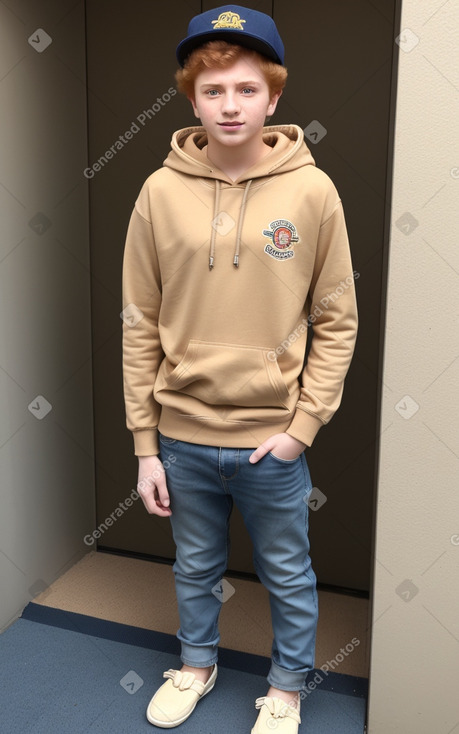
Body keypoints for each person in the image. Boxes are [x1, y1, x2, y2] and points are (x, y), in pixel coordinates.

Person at [121, 5, 358, 732]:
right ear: (191, 98)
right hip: (183, 437)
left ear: (274, 96)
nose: (230, 105)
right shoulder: (159, 192)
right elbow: (137, 324)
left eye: (246, 89)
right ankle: (196, 665)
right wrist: (145, 445)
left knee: (287, 574)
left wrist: (301, 426)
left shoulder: (312, 191)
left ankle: (285, 688)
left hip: (269, 440)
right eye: (214, 90)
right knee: (194, 567)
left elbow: (337, 319)